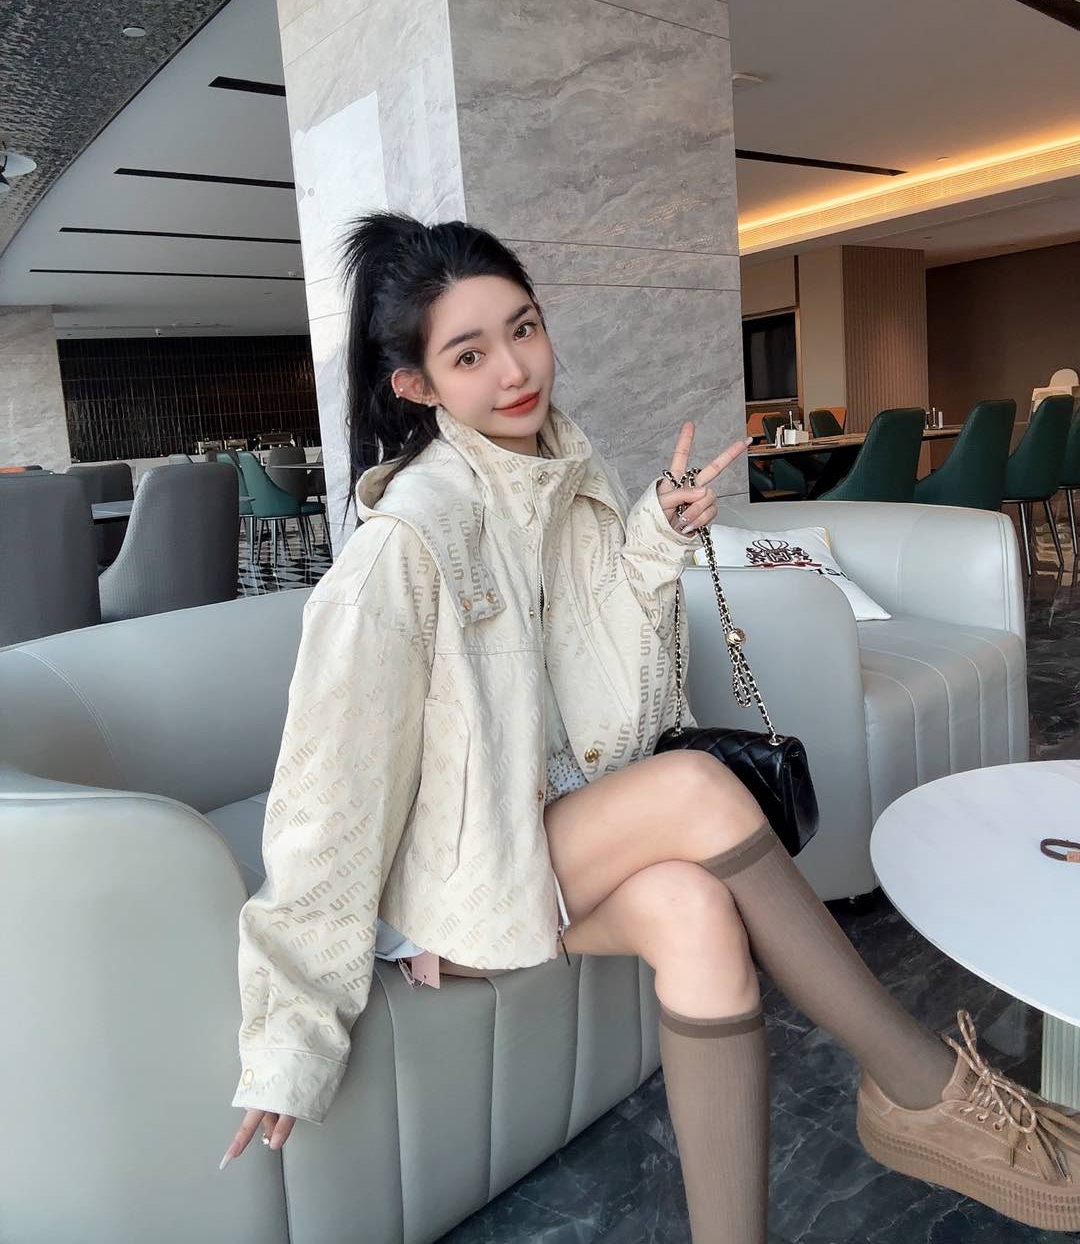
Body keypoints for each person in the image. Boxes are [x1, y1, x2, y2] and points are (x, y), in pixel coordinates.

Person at [219, 212, 1080, 1240]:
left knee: (693, 910)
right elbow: (328, 794)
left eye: (524, 328)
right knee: (697, 787)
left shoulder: (569, 480)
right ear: (417, 385)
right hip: (457, 876)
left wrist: (653, 539)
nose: (514, 370)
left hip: (550, 835)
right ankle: (923, 1088)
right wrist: (291, 1035)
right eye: (469, 354)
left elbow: (606, 695)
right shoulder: (405, 544)